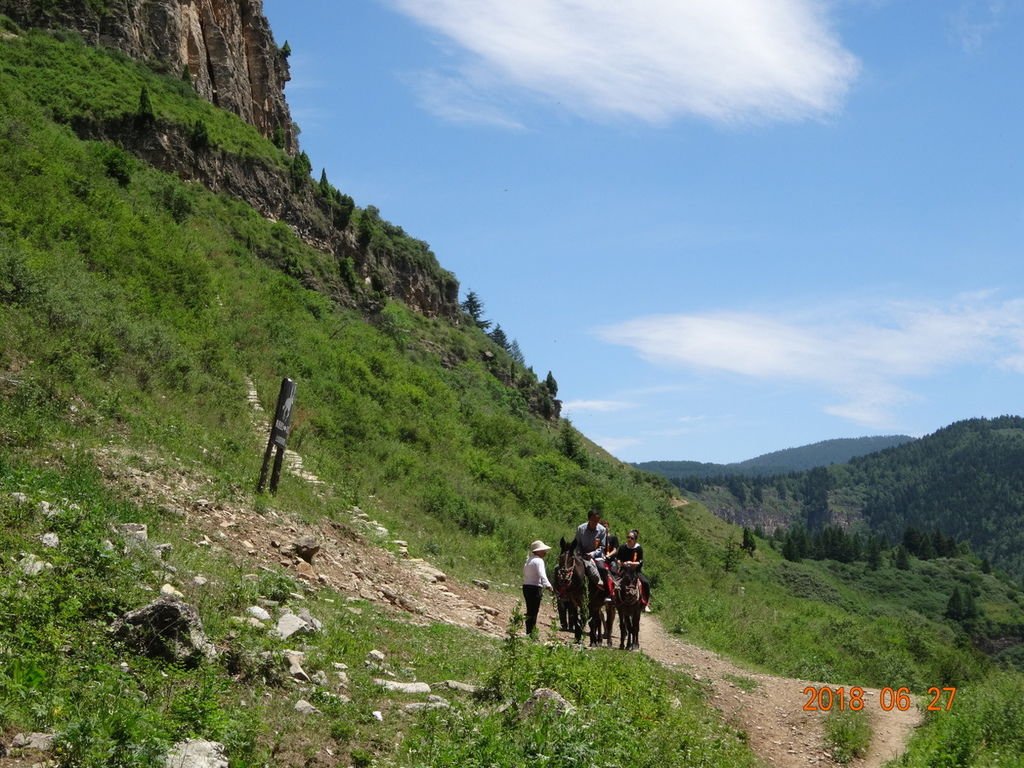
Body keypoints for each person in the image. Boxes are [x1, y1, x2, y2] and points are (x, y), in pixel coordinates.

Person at [522, 540, 554, 635]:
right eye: (543, 550)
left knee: (529, 610)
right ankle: (531, 633)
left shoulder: (529, 560)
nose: (545, 552)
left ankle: (529, 631)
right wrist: (548, 585)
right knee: (534, 611)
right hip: (535, 588)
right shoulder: (539, 561)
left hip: (526, 586)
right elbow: (542, 574)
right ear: (538, 551)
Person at [615, 529, 651, 611]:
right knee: (614, 581)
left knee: (646, 583)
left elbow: (640, 561)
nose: (629, 539)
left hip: (635, 571)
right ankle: (613, 599)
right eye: (628, 537)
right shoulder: (622, 547)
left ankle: (646, 603)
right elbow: (618, 558)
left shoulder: (638, 549)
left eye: (631, 538)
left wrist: (632, 563)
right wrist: (621, 563)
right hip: (624, 570)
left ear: (635, 540)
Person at [574, 509, 607, 589]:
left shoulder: (602, 530)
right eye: (593, 520)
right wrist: (580, 553)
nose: (595, 523)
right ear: (589, 519)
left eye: (597, 521)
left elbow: (602, 547)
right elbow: (577, 543)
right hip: (581, 554)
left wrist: (592, 554)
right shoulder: (580, 528)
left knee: (602, 568)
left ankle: (605, 591)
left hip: (596, 555)